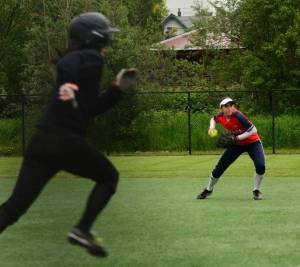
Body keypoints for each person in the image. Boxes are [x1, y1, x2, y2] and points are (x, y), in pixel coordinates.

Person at [0, 12, 137, 257]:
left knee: (13, 209)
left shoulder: (76, 60)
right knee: (109, 178)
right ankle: (82, 230)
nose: (106, 42)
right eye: (104, 37)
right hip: (65, 142)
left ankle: (82, 231)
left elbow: (87, 109)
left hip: (41, 142)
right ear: (94, 38)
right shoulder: (92, 59)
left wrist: (115, 91)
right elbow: (87, 104)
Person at [197, 97, 265, 200]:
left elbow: (254, 130)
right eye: (226, 106)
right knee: (220, 167)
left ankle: (256, 190)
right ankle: (208, 189)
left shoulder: (238, 116)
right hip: (236, 144)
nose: (229, 108)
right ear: (221, 108)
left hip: (253, 143)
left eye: (231, 105)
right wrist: (212, 127)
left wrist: (237, 138)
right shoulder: (220, 116)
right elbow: (213, 119)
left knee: (260, 166)